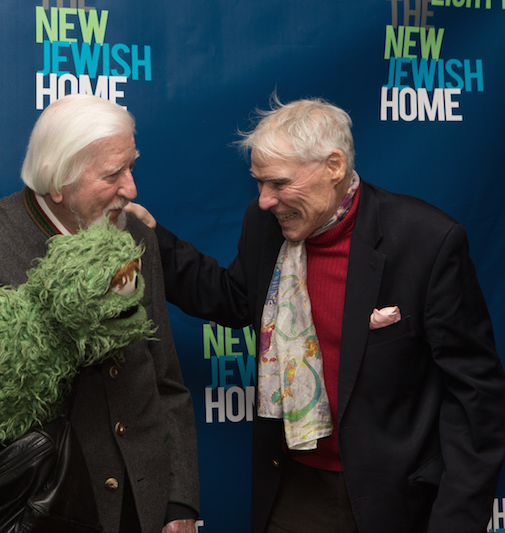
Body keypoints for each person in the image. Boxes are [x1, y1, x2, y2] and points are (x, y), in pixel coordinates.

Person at [125, 96, 505, 533]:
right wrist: (152, 240)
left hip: (395, 500)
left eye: (279, 183)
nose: (265, 200)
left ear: (334, 166)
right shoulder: (266, 224)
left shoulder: (426, 241)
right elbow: (234, 297)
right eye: (259, 184)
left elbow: (476, 398)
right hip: (292, 487)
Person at [0, 94, 200, 533]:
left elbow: (165, 381)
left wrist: (179, 501)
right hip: (50, 505)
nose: (132, 189)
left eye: (132, 167)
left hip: (146, 505)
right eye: (113, 174)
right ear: (57, 182)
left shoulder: (136, 236)